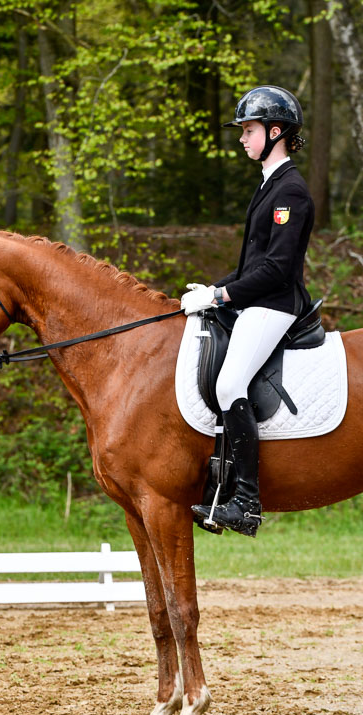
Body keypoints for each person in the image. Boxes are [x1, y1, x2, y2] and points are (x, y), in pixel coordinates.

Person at [181, 85, 315, 537]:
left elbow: (276, 269)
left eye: (250, 129)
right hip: (258, 297)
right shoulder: (268, 185)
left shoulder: (290, 191)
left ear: (276, 132)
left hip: (276, 303)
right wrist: (215, 287)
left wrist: (220, 298)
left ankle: (246, 502)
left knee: (230, 383)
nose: (242, 137)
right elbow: (252, 264)